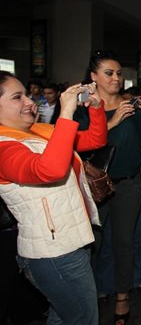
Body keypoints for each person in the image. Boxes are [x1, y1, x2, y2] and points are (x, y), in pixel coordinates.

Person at [0, 71, 107, 324]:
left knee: (62, 318)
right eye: (18, 97)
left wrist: (96, 107)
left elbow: (94, 139)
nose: (29, 102)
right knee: (83, 319)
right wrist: (66, 113)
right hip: (53, 254)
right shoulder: (4, 147)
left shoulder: (38, 131)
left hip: (70, 243)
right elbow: (50, 170)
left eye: (26, 94)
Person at [74, 50, 141, 325]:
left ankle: (122, 297)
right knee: (93, 242)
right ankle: (89, 294)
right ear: (93, 77)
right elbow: (80, 144)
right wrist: (111, 121)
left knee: (124, 242)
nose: (116, 78)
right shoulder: (84, 111)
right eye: (109, 73)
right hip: (95, 184)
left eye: (118, 73)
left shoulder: (131, 108)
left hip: (128, 184)